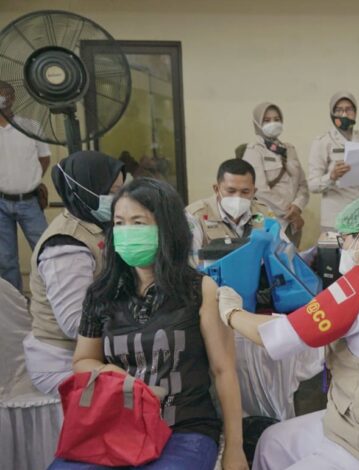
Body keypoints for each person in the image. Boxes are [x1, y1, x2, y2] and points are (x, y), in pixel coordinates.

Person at [217, 195, 359, 470]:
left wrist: (231, 312)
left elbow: (277, 337)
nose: (343, 248)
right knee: (273, 442)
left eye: (344, 240)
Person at [51, 178, 248, 470]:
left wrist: (235, 447)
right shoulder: (101, 293)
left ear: (167, 228)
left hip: (183, 427)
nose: (127, 232)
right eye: (119, 223)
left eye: (138, 223)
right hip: (118, 425)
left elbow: (223, 370)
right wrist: (118, 378)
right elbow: (83, 360)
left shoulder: (199, 289)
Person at [23, 151, 125, 395]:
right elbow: (75, 323)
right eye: (111, 192)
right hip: (61, 360)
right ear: (86, 190)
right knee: (138, 393)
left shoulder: (97, 225)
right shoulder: (65, 246)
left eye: (122, 191)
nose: (119, 199)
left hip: (95, 352)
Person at [308, 91, 359, 232]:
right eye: (339, 110)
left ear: (355, 113)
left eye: (349, 109)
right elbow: (312, 185)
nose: (344, 114)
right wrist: (331, 177)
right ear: (332, 114)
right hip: (335, 218)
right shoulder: (322, 142)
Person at [0, 80, 51, 290]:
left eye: (5, 94)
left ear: (13, 98)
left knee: (45, 252)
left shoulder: (31, 126)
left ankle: (50, 297)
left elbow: (44, 158)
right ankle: (15, 302)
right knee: (5, 260)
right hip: (1, 202)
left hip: (29, 201)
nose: (2, 98)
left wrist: (31, 180)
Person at [242, 102, 309, 246]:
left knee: (292, 258)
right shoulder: (254, 150)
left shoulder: (290, 149)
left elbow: (303, 185)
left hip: (292, 224)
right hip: (267, 221)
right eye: (267, 120)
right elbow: (259, 190)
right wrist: (290, 212)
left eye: (276, 119)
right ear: (258, 123)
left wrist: (297, 207)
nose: (273, 123)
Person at [186, 159, 272, 265]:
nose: (238, 197)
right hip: (211, 275)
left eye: (245, 192)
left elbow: (281, 251)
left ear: (254, 191)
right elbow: (190, 264)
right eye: (231, 191)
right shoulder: (196, 216)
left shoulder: (263, 212)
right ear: (216, 189)